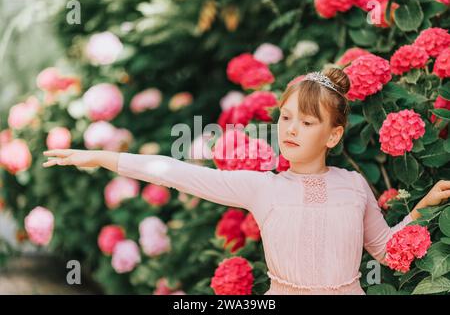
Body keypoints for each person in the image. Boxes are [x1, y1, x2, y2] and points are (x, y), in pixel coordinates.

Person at [42, 68, 450, 295]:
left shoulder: (354, 186)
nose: (290, 128)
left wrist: (423, 208)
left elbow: (383, 250)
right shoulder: (263, 187)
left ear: (333, 135)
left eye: (306, 122)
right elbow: (176, 172)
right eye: (286, 117)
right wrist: (101, 157)